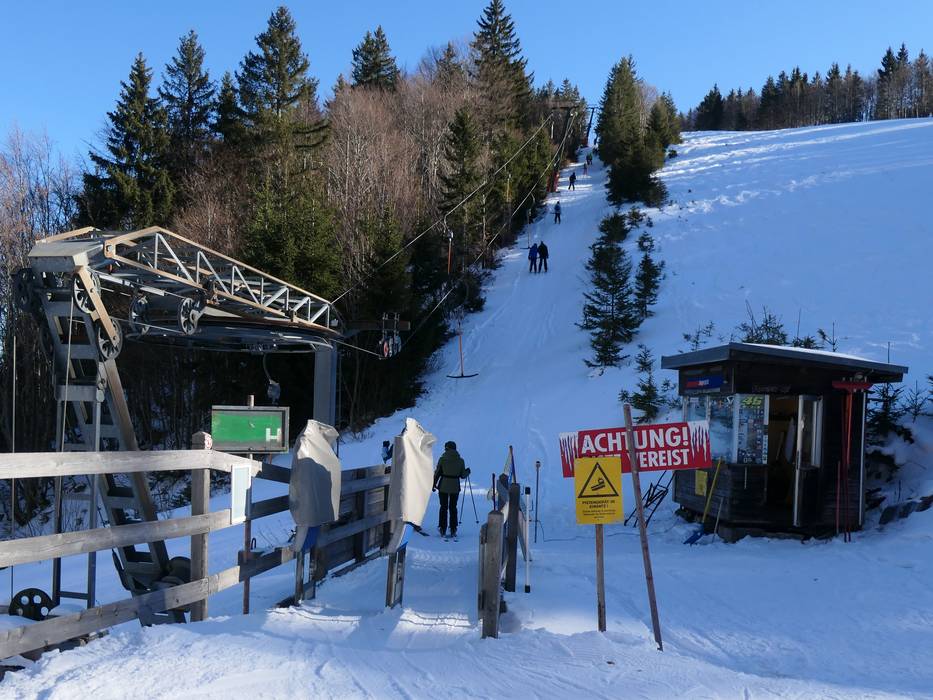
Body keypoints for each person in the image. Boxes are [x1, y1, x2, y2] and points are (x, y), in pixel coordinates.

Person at [433, 440, 470, 538]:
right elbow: (463, 475)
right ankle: (453, 528)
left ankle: (442, 528)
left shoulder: (442, 459)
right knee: (453, 507)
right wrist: (468, 471)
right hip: (455, 487)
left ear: (446, 448)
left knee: (443, 507)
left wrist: (433, 484)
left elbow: (437, 473)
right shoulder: (460, 460)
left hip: (443, 486)